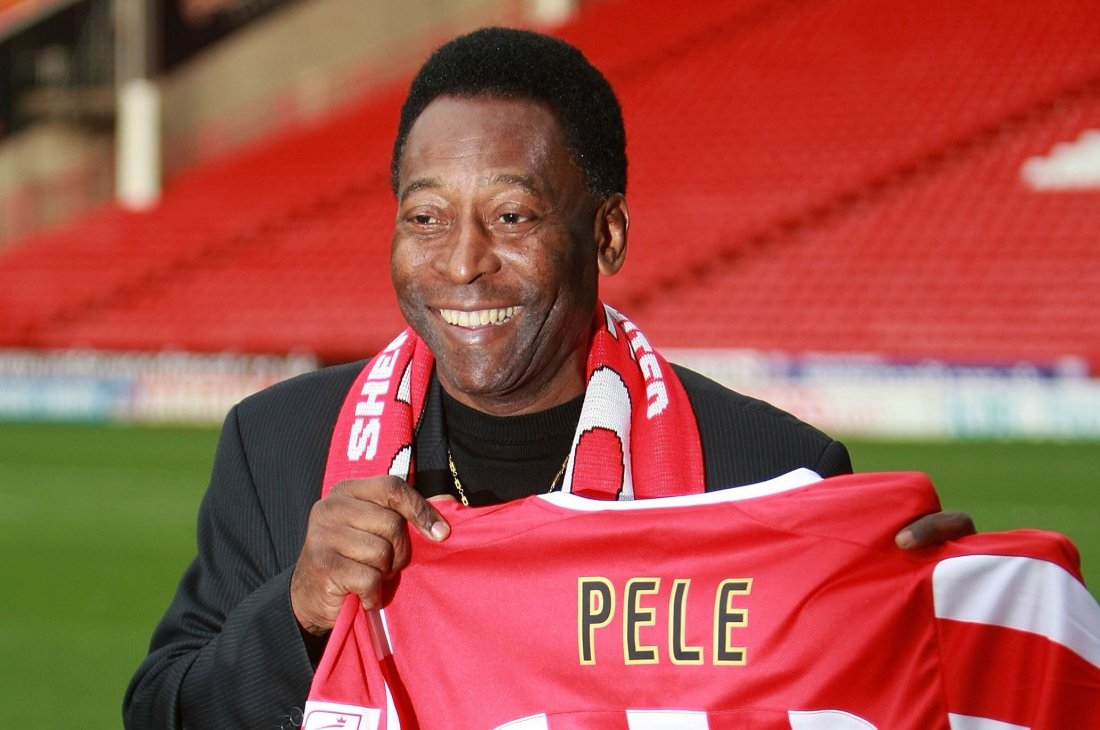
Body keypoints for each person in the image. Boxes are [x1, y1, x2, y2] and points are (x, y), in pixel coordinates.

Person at [123, 27, 973, 729]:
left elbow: (864, 702)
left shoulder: (773, 470)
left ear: (607, 235)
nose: (462, 262)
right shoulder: (276, 446)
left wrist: (932, 629)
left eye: (511, 215)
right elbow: (162, 710)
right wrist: (298, 613)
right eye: (426, 217)